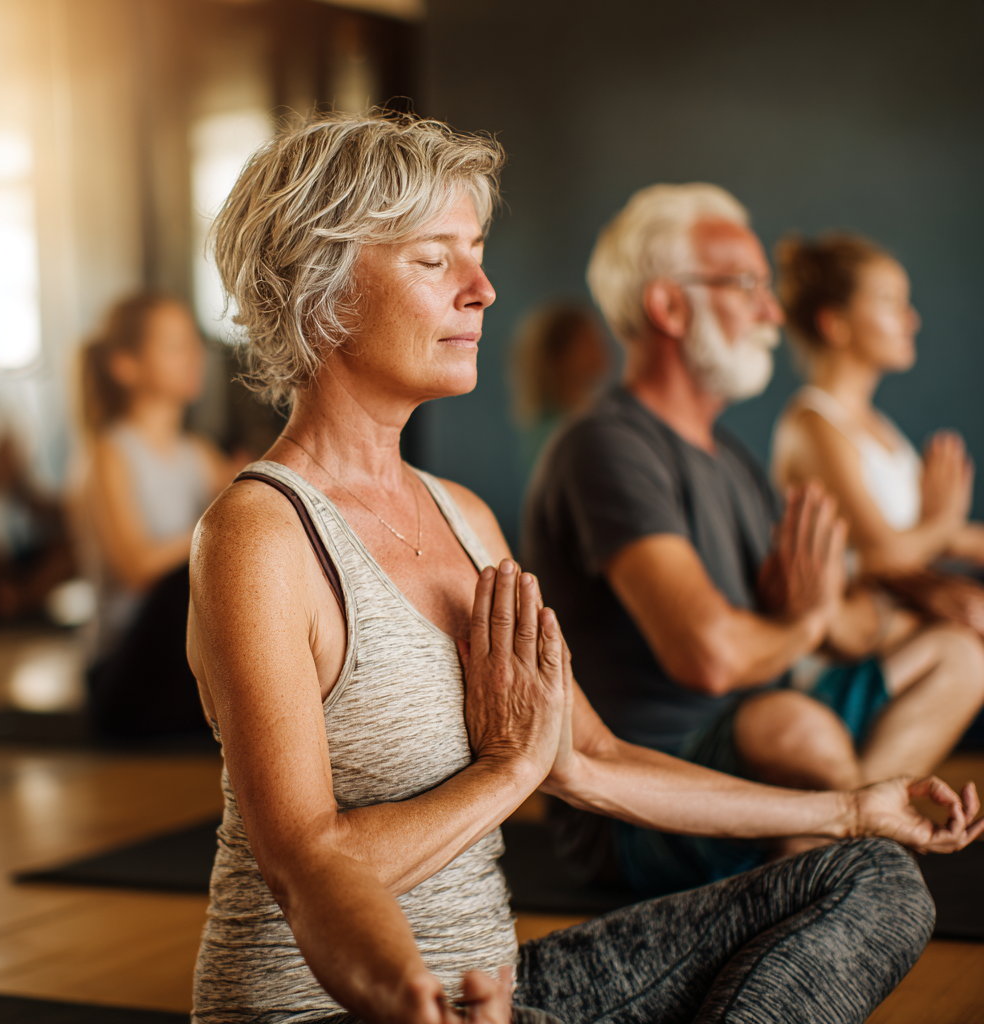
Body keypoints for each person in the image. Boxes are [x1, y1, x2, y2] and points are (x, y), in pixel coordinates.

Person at [187, 114, 981, 1024]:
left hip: (500, 992)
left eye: (476, 254)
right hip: (341, 1009)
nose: (483, 290)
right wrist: (501, 776)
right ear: (320, 288)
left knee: (871, 878)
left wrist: (853, 808)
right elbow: (305, 864)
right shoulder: (260, 535)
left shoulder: (465, 517)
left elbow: (591, 759)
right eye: (434, 259)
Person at [522, 183, 984, 896]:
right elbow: (708, 655)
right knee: (792, 727)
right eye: (746, 286)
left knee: (959, 656)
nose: (771, 312)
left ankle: (840, 847)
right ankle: (849, 864)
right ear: (669, 306)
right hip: (645, 798)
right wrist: (801, 623)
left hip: (767, 742)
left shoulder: (734, 460)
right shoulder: (605, 448)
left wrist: (910, 606)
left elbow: (843, 629)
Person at [771, 233, 984, 633]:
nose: (911, 320)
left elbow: (921, 537)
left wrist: (945, 530)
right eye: (890, 304)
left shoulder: (878, 426)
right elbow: (885, 554)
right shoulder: (813, 424)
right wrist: (942, 527)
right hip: (850, 639)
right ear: (834, 324)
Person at [73, 293, 239, 738]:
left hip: (181, 657)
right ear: (125, 365)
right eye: (173, 346)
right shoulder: (109, 453)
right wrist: (219, 517)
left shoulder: (199, 454)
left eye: (193, 343)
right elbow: (136, 568)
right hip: (125, 668)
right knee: (179, 587)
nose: (194, 357)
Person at [0, 311, 73, 620]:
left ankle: (12, 597)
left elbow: (25, 496)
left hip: (7, 544)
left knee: (75, 542)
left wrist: (74, 509)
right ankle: (8, 596)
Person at [509, 303, 611, 470]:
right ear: (561, 356)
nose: (601, 348)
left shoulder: (593, 414)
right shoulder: (556, 433)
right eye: (589, 341)